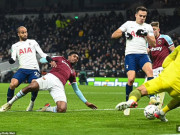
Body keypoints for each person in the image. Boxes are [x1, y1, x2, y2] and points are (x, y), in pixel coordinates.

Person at [0, 51, 97, 113]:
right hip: (50, 77)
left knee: (62, 109)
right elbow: (43, 59)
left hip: (59, 86)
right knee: (31, 86)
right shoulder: (60, 58)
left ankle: (47, 108)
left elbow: (76, 89)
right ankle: (9, 103)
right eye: (74, 56)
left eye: (77, 58)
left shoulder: (72, 72)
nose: (76, 58)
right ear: (69, 56)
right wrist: (49, 61)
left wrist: (86, 102)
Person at [115, 45, 180, 122]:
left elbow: (165, 63)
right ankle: (162, 112)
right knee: (178, 99)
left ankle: (131, 101)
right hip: (178, 86)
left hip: (164, 78)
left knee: (139, 90)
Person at [111, 6, 156, 115]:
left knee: (150, 72)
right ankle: (128, 102)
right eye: (140, 16)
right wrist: (124, 34)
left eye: (144, 16)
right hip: (130, 55)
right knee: (131, 79)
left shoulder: (148, 27)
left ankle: (152, 96)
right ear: (136, 15)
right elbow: (113, 35)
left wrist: (146, 35)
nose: (142, 18)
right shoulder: (128, 24)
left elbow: (153, 43)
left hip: (143, 55)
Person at [6, 26, 56, 111]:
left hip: (34, 69)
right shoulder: (15, 46)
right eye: (22, 32)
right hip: (22, 69)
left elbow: (42, 53)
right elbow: (13, 58)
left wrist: (49, 59)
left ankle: (32, 103)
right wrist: (11, 60)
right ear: (18, 34)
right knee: (12, 84)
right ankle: (8, 104)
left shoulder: (33, 42)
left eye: (26, 32)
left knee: (34, 85)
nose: (25, 34)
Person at [148, 21, 175, 109]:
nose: (153, 32)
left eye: (154, 30)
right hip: (153, 68)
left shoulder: (165, 38)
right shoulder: (149, 41)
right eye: (151, 30)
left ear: (158, 30)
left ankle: (159, 106)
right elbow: (145, 52)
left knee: (161, 85)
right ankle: (156, 101)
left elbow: (174, 51)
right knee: (146, 88)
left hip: (164, 66)